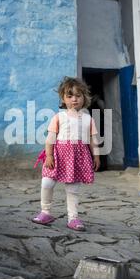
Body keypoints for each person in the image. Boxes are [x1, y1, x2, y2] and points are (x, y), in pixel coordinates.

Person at [32, 77, 101, 231]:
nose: (74, 99)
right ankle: (45, 211)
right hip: (58, 156)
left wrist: (96, 156)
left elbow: (92, 139)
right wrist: (49, 155)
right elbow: (50, 138)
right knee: (47, 182)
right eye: (69, 96)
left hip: (78, 157)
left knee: (73, 189)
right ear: (63, 98)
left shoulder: (88, 119)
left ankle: (73, 218)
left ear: (84, 97)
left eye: (78, 96)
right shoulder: (58, 117)